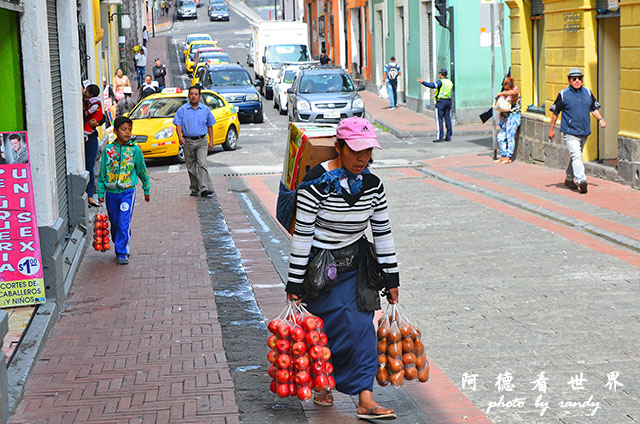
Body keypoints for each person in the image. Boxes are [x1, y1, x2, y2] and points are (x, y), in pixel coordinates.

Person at [285, 116, 400, 420]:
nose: (363, 158)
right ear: (339, 147)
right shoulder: (315, 185)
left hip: (357, 268)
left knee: (362, 327)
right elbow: (303, 237)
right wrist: (294, 284)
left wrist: (391, 276)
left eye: (368, 152)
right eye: (356, 151)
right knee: (327, 331)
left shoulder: (374, 186)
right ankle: (325, 380)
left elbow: (382, 232)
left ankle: (365, 398)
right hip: (321, 272)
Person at [96, 116, 150, 265]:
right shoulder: (108, 150)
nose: (127, 132)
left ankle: (122, 252)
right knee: (115, 222)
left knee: (123, 221)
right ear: (115, 131)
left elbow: (141, 170)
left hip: (128, 191)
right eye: (123, 129)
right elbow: (102, 173)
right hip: (111, 193)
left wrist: (146, 188)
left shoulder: (135, 150)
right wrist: (101, 192)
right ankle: (120, 239)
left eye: (129, 130)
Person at [549, 68, 606, 194]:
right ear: (569, 80)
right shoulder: (563, 94)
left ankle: (569, 178)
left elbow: (594, 108)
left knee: (576, 157)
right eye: (574, 79)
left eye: (579, 78)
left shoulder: (587, 92)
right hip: (570, 132)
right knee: (576, 156)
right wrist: (551, 129)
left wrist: (601, 119)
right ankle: (581, 180)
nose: (577, 81)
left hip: (584, 131)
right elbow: (555, 113)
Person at [173, 86, 215, 197]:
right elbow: (178, 124)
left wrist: (211, 140)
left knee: (202, 164)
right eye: (192, 94)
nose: (194, 96)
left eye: (196, 94)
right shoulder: (182, 110)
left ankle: (205, 187)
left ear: (199, 96)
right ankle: (194, 187)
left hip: (202, 141)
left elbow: (210, 125)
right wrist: (180, 137)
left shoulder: (205, 109)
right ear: (189, 96)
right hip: (188, 141)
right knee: (191, 166)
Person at [418, 68, 453, 143]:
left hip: (441, 103)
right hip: (448, 102)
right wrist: (436, 91)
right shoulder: (450, 82)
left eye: (439, 73)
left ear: (441, 74)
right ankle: (448, 136)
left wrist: (422, 82)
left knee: (439, 120)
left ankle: (440, 137)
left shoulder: (441, 82)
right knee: (447, 119)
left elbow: (432, 85)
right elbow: (443, 90)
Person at [83, 84, 104, 207]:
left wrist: (98, 122)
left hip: (90, 136)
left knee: (90, 166)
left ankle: (90, 195)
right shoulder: (83, 103)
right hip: (84, 136)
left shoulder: (92, 103)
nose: (84, 92)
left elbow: (102, 116)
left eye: (85, 90)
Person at [494, 77, 521, 164]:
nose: (505, 90)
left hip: (513, 116)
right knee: (501, 137)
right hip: (505, 117)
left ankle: (508, 156)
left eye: (507, 89)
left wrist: (503, 93)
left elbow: (514, 93)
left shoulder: (515, 92)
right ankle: (503, 155)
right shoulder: (505, 94)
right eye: (504, 88)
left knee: (510, 136)